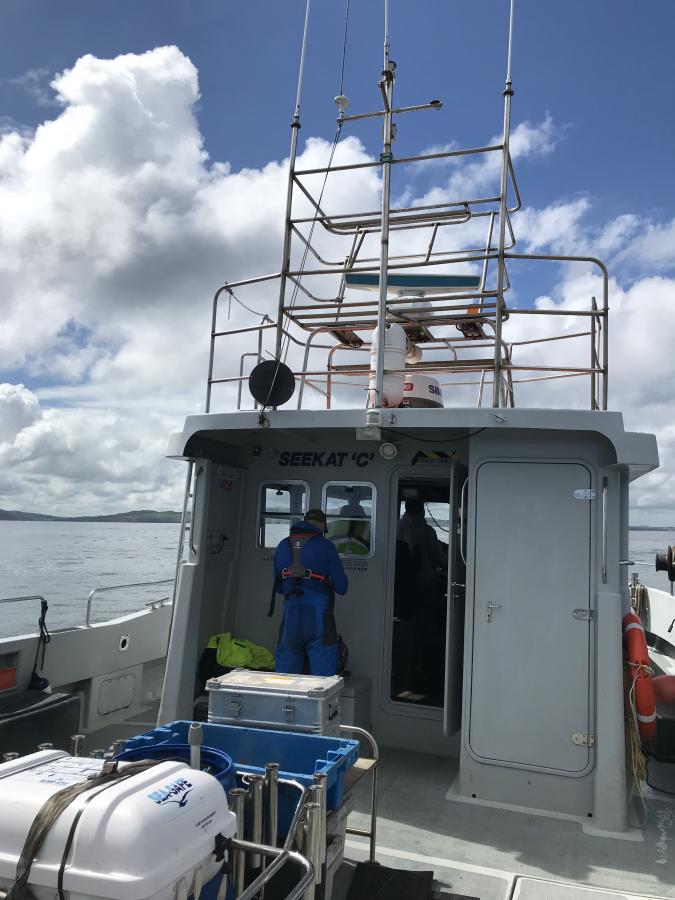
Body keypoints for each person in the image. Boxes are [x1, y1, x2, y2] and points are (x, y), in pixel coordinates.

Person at [272, 509, 348, 676]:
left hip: (291, 617)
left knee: (284, 679)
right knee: (323, 682)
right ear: (322, 525)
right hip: (319, 619)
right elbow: (342, 588)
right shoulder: (326, 546)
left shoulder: (282, 545)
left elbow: (279, 587)